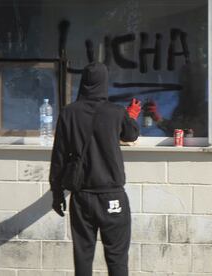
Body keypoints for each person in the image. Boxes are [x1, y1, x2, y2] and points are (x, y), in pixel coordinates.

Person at [49, 62, 141, 276]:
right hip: (112, 196)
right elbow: (131, 135)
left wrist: (57, 193)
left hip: (81, 197)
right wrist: (132, 115)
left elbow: (59, 157)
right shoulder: (116, 112)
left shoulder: (68, 113)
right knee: (117, 257)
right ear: (104, 82)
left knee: (83, 256)